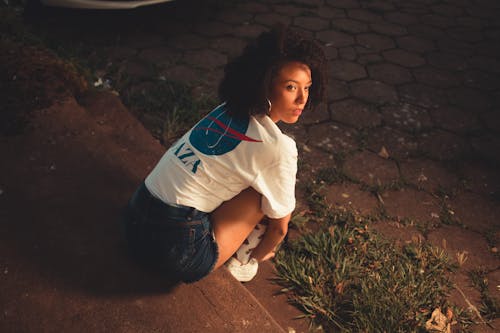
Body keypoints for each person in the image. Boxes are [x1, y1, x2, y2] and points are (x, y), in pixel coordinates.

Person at [123, 24, 327, 283]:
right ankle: (242, 262)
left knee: (245, 175)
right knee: (264, 195)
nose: (302, 100)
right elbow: (279, 228)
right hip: (175, 252)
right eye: (290, 87)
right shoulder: (279, 148)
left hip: (134, 220)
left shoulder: (226, 110)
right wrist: (261, 254)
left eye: (307, 87)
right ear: (264, 84)